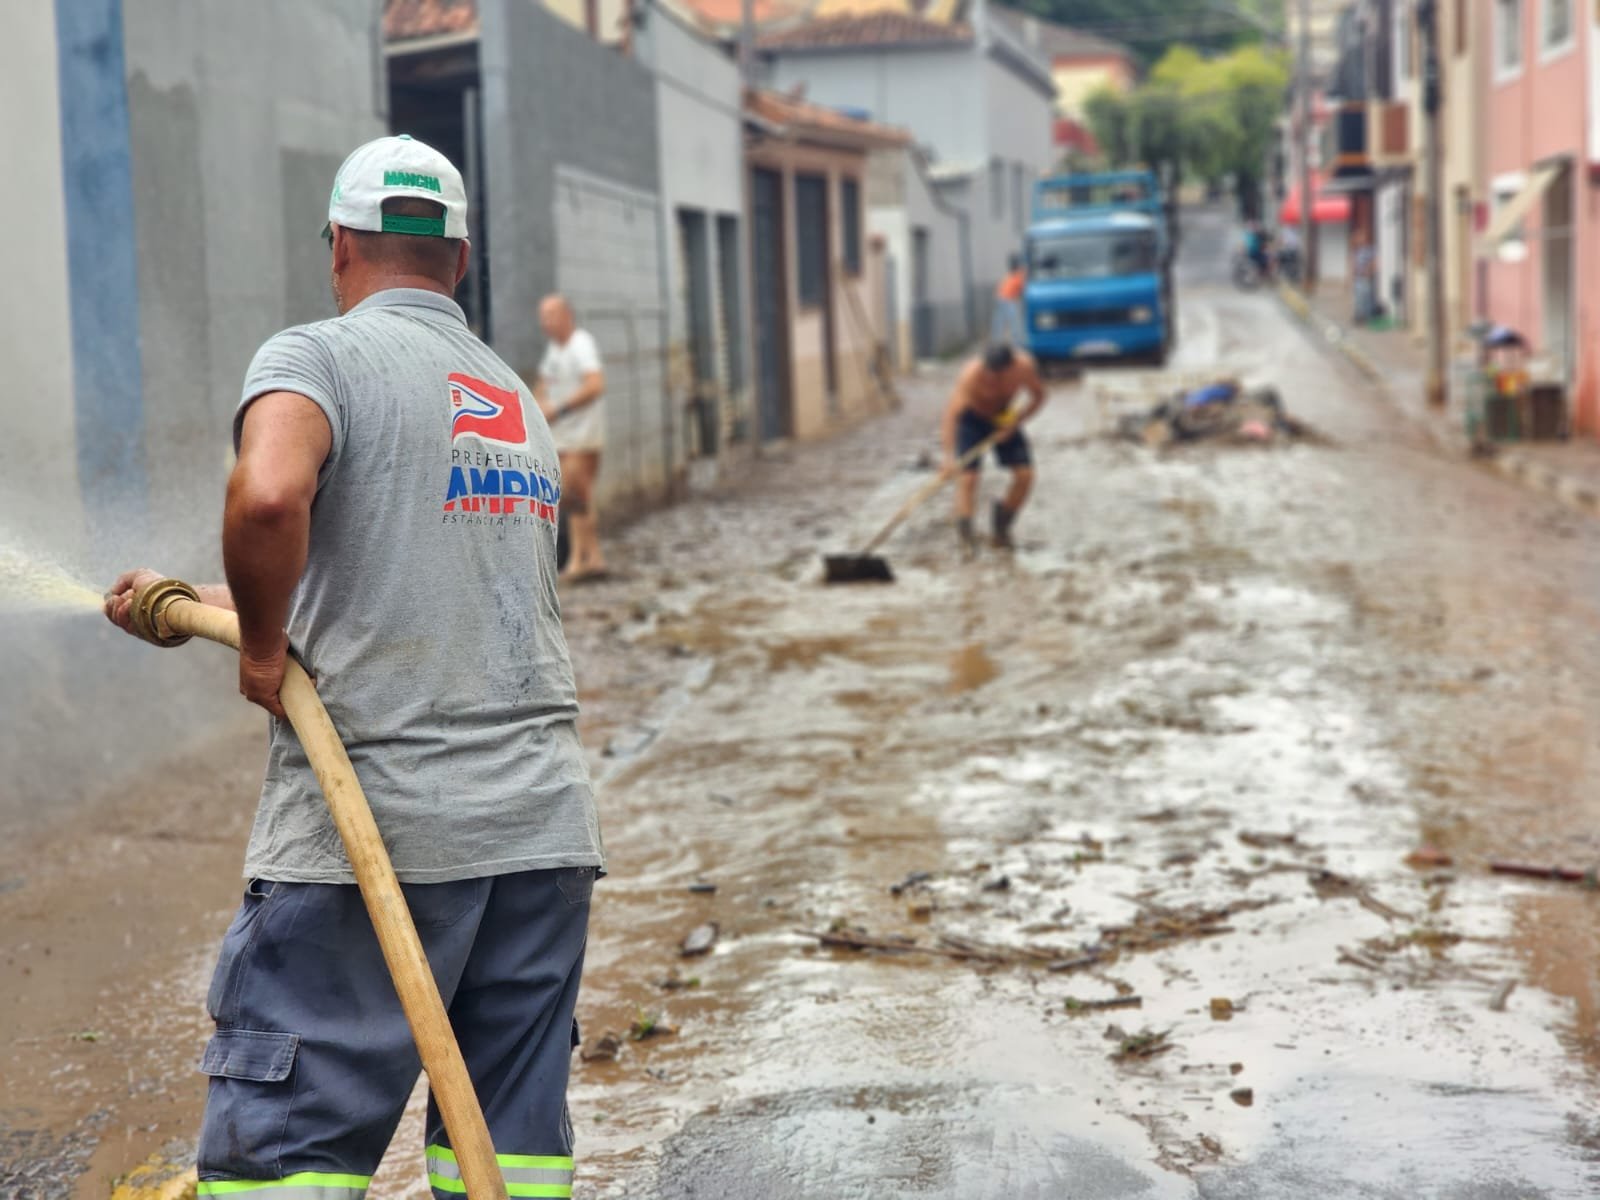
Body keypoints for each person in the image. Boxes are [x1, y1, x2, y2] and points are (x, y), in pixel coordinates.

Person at [103, 135, 604, 1199]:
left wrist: (263, 643)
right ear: (459, 262)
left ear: (336, 245)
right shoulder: (515, 401)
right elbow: (398, 599)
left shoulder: (319, 356)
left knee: (284, 1166)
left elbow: (271, 497)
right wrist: (201, 607)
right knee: (506, 1158)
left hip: (379, 831)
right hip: (540, 840)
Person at [940, 342, 1049, 551]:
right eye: (988, 374)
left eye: (998, 376)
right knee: (968, 478)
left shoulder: (1024, 368)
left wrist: (1015, 422)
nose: (991, 380)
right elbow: (951, 415)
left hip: (1003, 418)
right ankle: (966, 538)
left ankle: (1001, 528)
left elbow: (1040, 396)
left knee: (1025, 475)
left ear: (1011, 367)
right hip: (972, 420)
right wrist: (947, 458)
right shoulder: (970, 375)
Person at [535, 296, 608, 582]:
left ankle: (581, 559)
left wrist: (560, 408)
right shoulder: (554, 350)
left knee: (577, 496)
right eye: (542, 316)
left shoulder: (581, 344)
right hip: (562, 437)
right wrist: (536, 406)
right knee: (575, 499)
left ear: (567, 315)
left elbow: (595, 385)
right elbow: (543, 384)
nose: (545, 322)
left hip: (583, 435)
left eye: (551, 314)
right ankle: (592, 557)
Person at [991, 254, 1027, 345]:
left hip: (1006, 299)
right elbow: (1021, 289)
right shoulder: (1015, 274)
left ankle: (1015, 342)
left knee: (1008, 321)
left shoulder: (1017, 274)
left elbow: (1021, 289)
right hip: (1004, 299)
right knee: (1006, 321)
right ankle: (1000, 342)